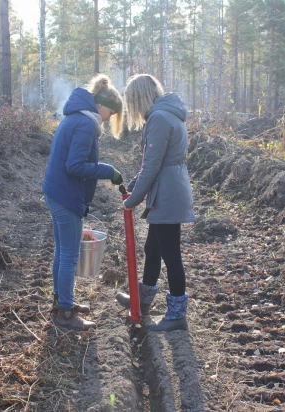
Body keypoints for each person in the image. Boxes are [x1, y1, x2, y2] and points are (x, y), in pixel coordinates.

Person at [42, 74, 124, 330]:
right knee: (69, 255)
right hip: (65, 195)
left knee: (62, 252)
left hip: (55, 192)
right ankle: (65, 313)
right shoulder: (86, 124)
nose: (110, 118)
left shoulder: (74, 117)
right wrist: (107, 170)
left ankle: (62, 303)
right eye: (112, 112)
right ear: (101, 105)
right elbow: (75, 166)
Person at [115, 74, 195, 332]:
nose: (132, 108)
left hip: (168, 193)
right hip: (169, 188)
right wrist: (134, 185)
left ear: (139, 98)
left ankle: (176, 315)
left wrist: (133, 200)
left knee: (170, 254)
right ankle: (142, 300)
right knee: (153, 247)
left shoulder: (159, 119)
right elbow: (152, 163)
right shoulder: (166, 113)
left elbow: (152, 165)